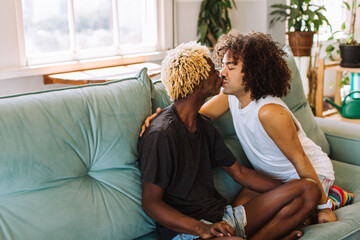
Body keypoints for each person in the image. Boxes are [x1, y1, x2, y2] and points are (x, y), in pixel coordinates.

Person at [140, 31, 337, 224]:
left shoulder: (268, 112)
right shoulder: (230, 97)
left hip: (308, 174)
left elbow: (301, 160)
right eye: (223, 64)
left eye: (231, 67)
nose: (222, 72)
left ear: (252, 72)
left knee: (284, 214)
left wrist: (323, 208)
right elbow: (191, 114)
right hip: (272, 179)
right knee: (238, 217)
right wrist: (161, 117)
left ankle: (332, 197)